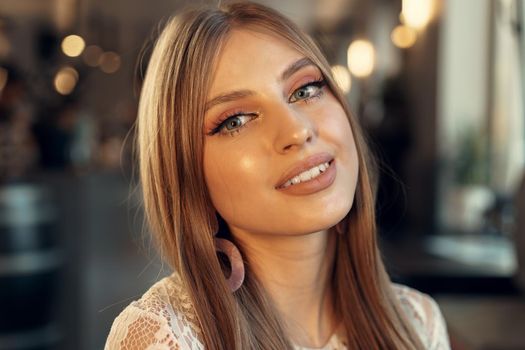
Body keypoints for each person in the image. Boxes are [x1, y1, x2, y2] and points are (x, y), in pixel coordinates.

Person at [105, 1, 450, 349]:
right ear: (188, 176)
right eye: (236, 121)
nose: (297, 131)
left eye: (305, 90)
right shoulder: (162, 337)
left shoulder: (417, 323)